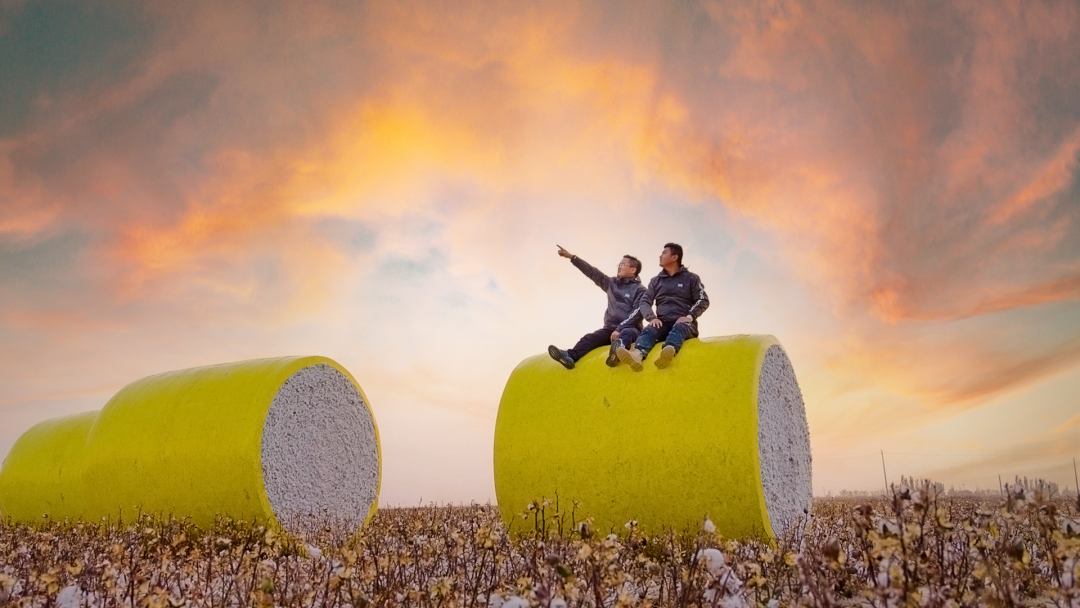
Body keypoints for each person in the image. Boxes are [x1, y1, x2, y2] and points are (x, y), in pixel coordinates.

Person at [548, 245, 646, 369]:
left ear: (633, 270)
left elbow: (638, 312)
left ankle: (618, 350)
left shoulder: (641, 290)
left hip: (631, 328)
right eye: (618, 265)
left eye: (622, 265)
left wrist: (620, 328)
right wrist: (571, 257)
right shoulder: (611, 284)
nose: (618, 267)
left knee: (626, 333)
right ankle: (570, 356)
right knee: (590, 338)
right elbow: (592, 272)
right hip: (610, 329)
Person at [616, 242, 709, 371]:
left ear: (674, 257)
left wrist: (689, 316)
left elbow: (703, 299)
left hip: (684, 323)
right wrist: (652, 317)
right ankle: (637, 354)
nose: (660, 256)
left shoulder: (691, 278)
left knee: (680, 326)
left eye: (664, 253)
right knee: (650, 329)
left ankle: (668, 351)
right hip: (663, 322)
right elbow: (644, 302)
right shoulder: (656, 281)